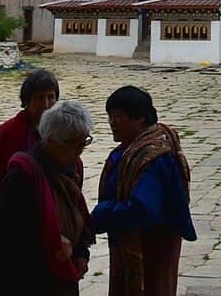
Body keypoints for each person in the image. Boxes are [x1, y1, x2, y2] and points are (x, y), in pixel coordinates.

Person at [0, 100, 95, 295]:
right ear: (50, 140)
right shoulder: (23, 176)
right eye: (73, 145)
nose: (79, 151)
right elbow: (4, 236)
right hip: (27, 281)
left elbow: (75, 212)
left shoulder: (70, 168)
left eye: (83, 143)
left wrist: (82, 252)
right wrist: (51, 242)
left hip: (61, 277)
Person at [91, 86, 196, 295]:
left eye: (118, 116)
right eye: (110, 116)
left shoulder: (153, 157)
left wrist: (100, 215)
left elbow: (142, 210)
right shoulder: (131, 149)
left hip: (151, 248)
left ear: (140, 118)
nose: (112, 123)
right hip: (131, 244)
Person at [0, 68, 63, 253]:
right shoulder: (8, 135)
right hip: (13, 218)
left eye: (51, 97)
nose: (46, 104)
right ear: (27, 101)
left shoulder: (59, 132)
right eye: (39, 98)